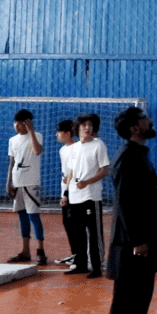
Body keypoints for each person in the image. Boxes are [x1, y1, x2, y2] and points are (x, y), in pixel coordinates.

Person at [107, 107, 157, 314]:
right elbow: (125, 203)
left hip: (143, 240)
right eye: (144, 119)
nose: (150, 121)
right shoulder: (127, 157)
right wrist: (137, 240)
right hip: (133, 246)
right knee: (127, 305)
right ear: (135, 127)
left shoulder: (138, 153)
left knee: (139, 303)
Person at [62, 113, 110, 278]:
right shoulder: (74, 148)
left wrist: (88, 181)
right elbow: (71, 171)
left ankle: (97, 267)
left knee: (94, 233)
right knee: (78, 233)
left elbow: (104, 170)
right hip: (75, 196)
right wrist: (66, 193)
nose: (87, 128)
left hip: (91, 196)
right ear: (78, 128)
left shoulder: (99, 145)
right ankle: (81, 264)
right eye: (84, 125)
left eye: (90, 125)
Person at [5, 109, 47, 266]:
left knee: (34, 216)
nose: (16, 126)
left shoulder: (37, 136)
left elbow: (37, 151)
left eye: (21, 123)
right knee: (22, 217)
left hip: (31, 183)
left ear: (27, 123)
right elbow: (12, 162)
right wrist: (8, 182)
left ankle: (41, 251)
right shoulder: (12, 140)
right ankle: (25, 251)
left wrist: (32, 132)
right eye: (15, 122)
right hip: (17, 183)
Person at [54, 119, 78, 265]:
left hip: (73, 192)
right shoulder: (62, 150)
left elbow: (72, 173)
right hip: (65, 189)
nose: (57, 135)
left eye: (59, 132)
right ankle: (74, 253)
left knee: (74, 224)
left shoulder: (76, 149)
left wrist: (67, 194)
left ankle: (79, 254)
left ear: (68, 133)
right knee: (67, 222)